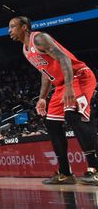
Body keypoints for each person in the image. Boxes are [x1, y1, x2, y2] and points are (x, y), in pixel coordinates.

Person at [8, 16, 98, 185]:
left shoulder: (40, 38)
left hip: (78, 77)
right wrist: (42, 98)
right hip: (60, 85)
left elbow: (64, 58)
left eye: (13, 27)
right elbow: (45, 72)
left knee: (73, 116)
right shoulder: (25, 50)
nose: (9, 31)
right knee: (52, 124)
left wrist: (70, 86)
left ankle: (95, 168)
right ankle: (65, 173)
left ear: (25, 27)